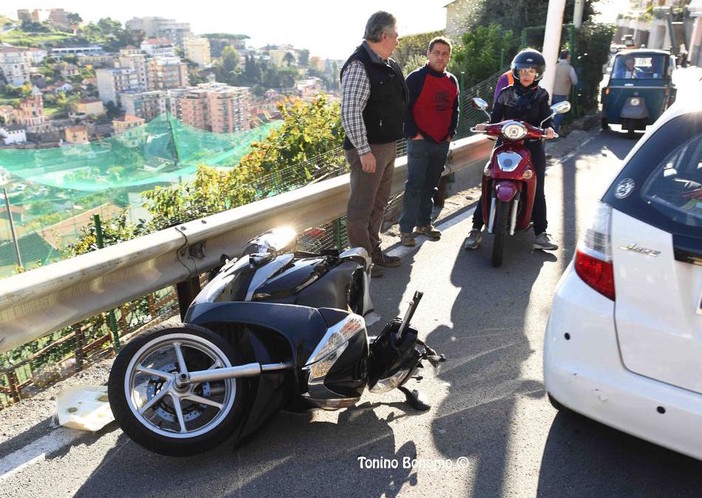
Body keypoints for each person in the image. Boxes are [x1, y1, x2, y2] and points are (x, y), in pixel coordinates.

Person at [463, 48, 558, 252]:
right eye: (523, 70)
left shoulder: (541, 96)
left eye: (531, 71)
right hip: (505, 144)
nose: (526, 74)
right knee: (490, 181)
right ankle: (475, 229)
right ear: (516, 72)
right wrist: (486, 126)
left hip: (531, 147)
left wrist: (550, 129)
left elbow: (548, 119)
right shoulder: (506, 94)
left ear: (538, 74)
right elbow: (495, 119)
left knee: (537, 186)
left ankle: (541, 233)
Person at [340, 11, 408, 278]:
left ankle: (373, 251)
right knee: (360, 208)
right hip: (368, 150)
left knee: (378, 204)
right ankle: (361, 263)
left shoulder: (387, 64)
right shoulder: (359, 65)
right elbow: (350, 112)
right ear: (384, 36)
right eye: (396, 36)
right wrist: (364, 150)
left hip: (387, 147)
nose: (398, 41)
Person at [398, 36, 459, 247]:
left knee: (431, 186)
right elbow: (403, 108)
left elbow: (455, 108)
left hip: (442, 142)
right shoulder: (415, 78)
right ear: (428, 54)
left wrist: (451, 132)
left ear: (449, 57)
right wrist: (414, 134)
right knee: (414, 185)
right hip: (420, 142)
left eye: (444, 54)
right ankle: (406, 230)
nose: (440, 57)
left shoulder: (452, 81)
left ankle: (424, 224)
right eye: (437, 53)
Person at [551, 49, 578, 133]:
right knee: (559, 114)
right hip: (562, 93)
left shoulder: (554, 66)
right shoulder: (569, 68)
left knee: (550, 113)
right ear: (568, 57)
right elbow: (575, 81)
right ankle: (553, 133)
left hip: (551, 92)